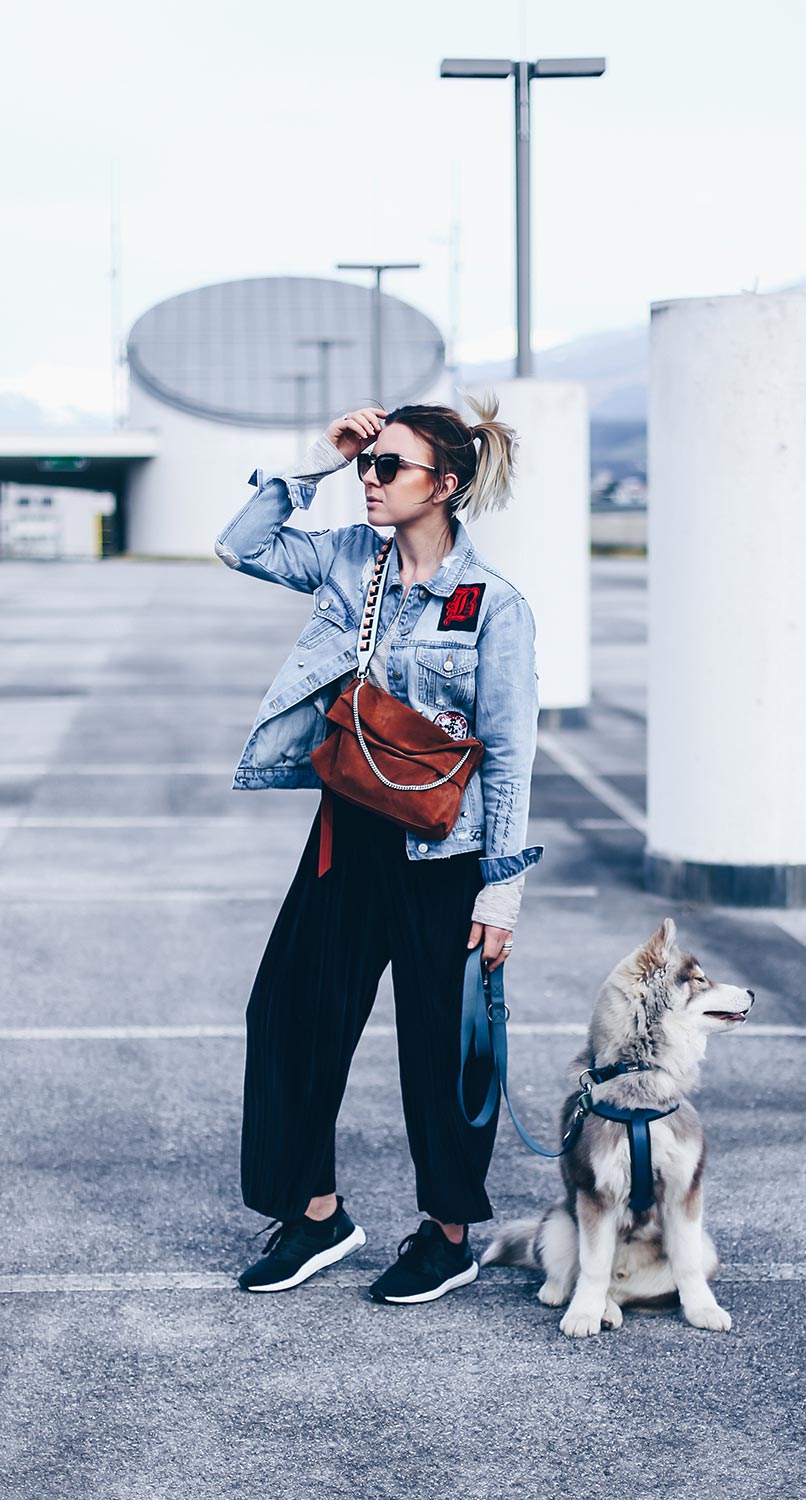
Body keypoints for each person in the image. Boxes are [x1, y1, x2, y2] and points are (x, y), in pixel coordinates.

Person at [213, 394, 541, 1304]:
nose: (370, 478)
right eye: (368, 463)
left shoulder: (494, 607)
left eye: (387, 466)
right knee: (285, 1017)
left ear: (444, 486)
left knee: (437, 1051)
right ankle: (315, 1214)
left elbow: (509, 758)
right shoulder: (349, 559)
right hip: (345, 835)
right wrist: (316, 456)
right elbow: (240, 544)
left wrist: (500, 895)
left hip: (443, 854)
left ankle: (446, 1235)